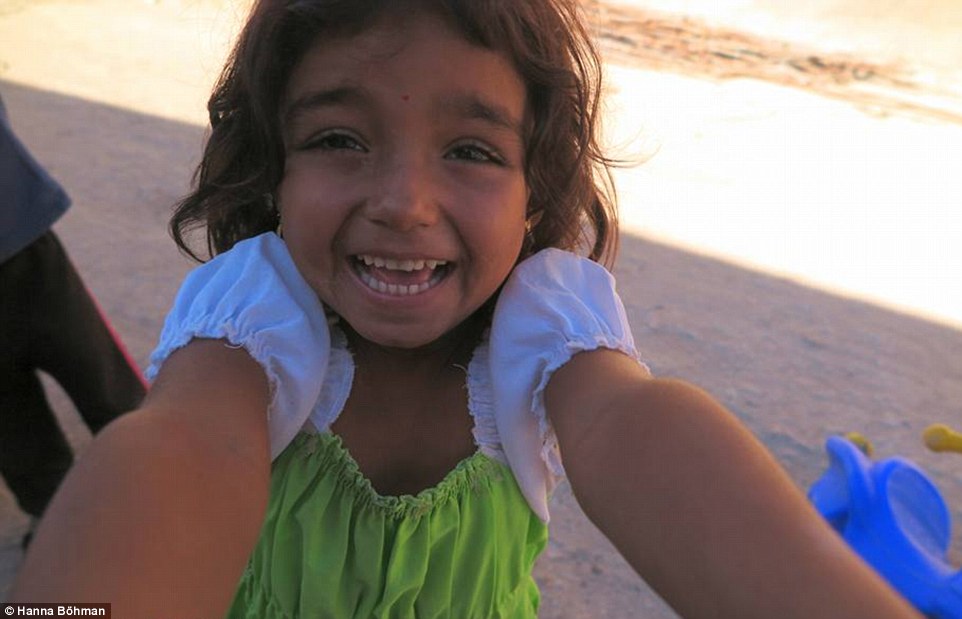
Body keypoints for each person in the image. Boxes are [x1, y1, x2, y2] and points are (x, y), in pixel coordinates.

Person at [10, 1, 923, 617]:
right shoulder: (254, 317)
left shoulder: (545, 325)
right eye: (339, 138)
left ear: (534, 196)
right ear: (273, 172)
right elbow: (182, 447)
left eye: (472, 151)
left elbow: (633, 428)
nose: (404, 202)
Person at [0, 95, 147, 548]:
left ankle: (154, 479)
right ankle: (54, 512)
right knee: (10, 418)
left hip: (21, 246)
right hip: (18, 235)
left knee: (98, 374)